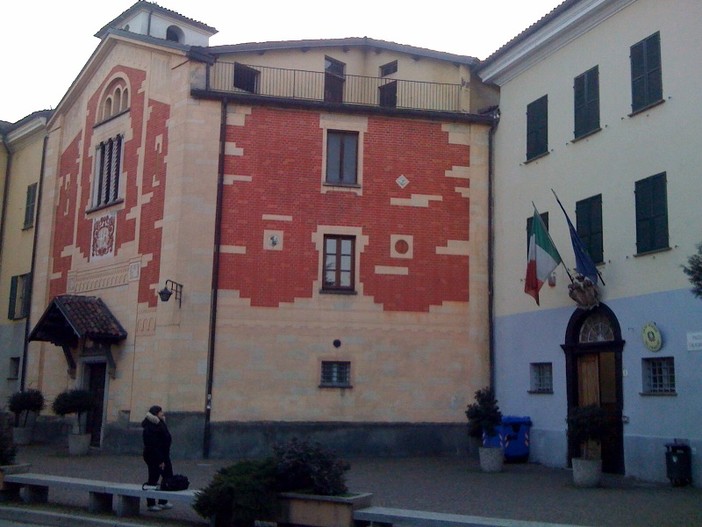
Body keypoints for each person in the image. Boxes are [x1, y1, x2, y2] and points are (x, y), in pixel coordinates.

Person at [142, 405, 173, 512]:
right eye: (160, 412)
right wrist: (160, 460)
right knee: (153, 478)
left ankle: (163, 500)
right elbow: (152, 444)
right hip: (154, 456)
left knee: (168, 475)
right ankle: (151, 503)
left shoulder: (160, 423)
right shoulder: (150, 427)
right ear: (155, 414)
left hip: (164, 455)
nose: (162, 413)